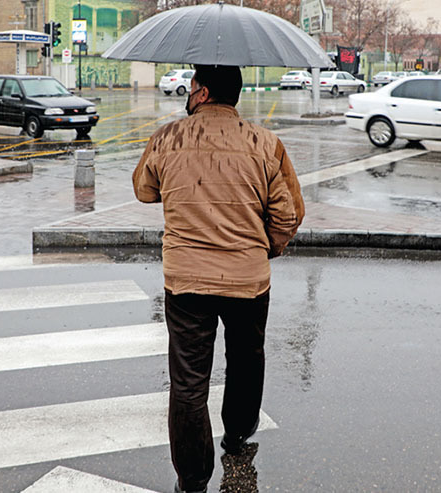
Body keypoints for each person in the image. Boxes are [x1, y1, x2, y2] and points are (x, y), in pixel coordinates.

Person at [132, 64, 304, 493]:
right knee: (246, 361)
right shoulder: (265, 143)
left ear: (203, 93)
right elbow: (289, 214)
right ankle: (237, 435)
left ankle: (192, 479)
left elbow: (143, 189)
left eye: (191, 88)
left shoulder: (168, 137)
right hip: (248, 278)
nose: (187, 94)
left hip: (186, 281)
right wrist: (266, 248)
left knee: (189, 382)